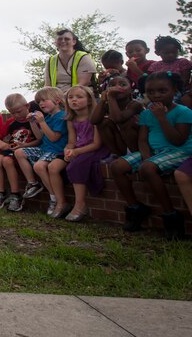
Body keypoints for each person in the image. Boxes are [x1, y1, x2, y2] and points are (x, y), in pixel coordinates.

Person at [108, 71, 192, 238]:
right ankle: (135, 208)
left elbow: (178, 140)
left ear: (174, 90)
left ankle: (171, 216)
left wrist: (162, 118)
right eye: (151, 92)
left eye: (162, 91)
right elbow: (142, 140)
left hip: (179, 151)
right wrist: (147, 157)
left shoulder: (183, 111)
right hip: (155, 153)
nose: (156, 95)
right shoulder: (147, 113)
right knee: (117, 166)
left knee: (147, 168)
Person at [15, 87, 69, 216]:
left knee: (39, 166)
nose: (41, 104)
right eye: (39, 102)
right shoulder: (48, 118)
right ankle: (33, 183)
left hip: (57, 151)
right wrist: (33, 123)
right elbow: (40, 137)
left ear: (57, 100)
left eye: (44, 100)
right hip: (45, 149)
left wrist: (42, 122)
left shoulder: (61, 116)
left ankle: (54, 198)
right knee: (19, 152)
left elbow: (54, 138)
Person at [62, 86, 111, 222]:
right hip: (80, 148)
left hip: (96, 149)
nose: (74, 100)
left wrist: (76, 152)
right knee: (67, 162)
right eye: (70, 97)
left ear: (89, 100)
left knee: (75, 166)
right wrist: (68, 149)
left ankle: (80, 204)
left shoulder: (94, 117)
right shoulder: (71, 119)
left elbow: (97, 144)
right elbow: (71, 141)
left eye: (79, 97)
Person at [0, 93, 40, 211]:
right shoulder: (11, 122)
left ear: (27, 106)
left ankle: (15, 195)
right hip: (12, 149)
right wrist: (1, 143)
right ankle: (0, 193)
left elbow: (40, 140)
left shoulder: (34, 120)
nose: (16, 115)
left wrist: (25, 145)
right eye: (12, 113)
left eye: (18, 111)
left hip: (26, 151)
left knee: (7, 161)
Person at [91, 74, 143, 157]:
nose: (117, 87)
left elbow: (118, 119)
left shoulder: (135, 105)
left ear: (131, 90)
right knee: (103, 123)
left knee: (127, 123)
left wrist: (111, 97)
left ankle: (135, 155)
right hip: (121, 142)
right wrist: (103, 101)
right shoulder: (108, 104)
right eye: (112, 85)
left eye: (123, 84)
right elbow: (94, 121)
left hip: (138, 143)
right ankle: (118, 154)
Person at [43, 29, 96, 93]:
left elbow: (83, 83)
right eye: (60, 39)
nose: (63, 41)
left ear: (74, 42)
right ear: (55, 42)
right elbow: (47, 85)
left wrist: (65, 96)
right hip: (56, 98)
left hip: (79, 96)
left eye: (67, 39)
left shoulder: (83, 57)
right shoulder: (50, 60)